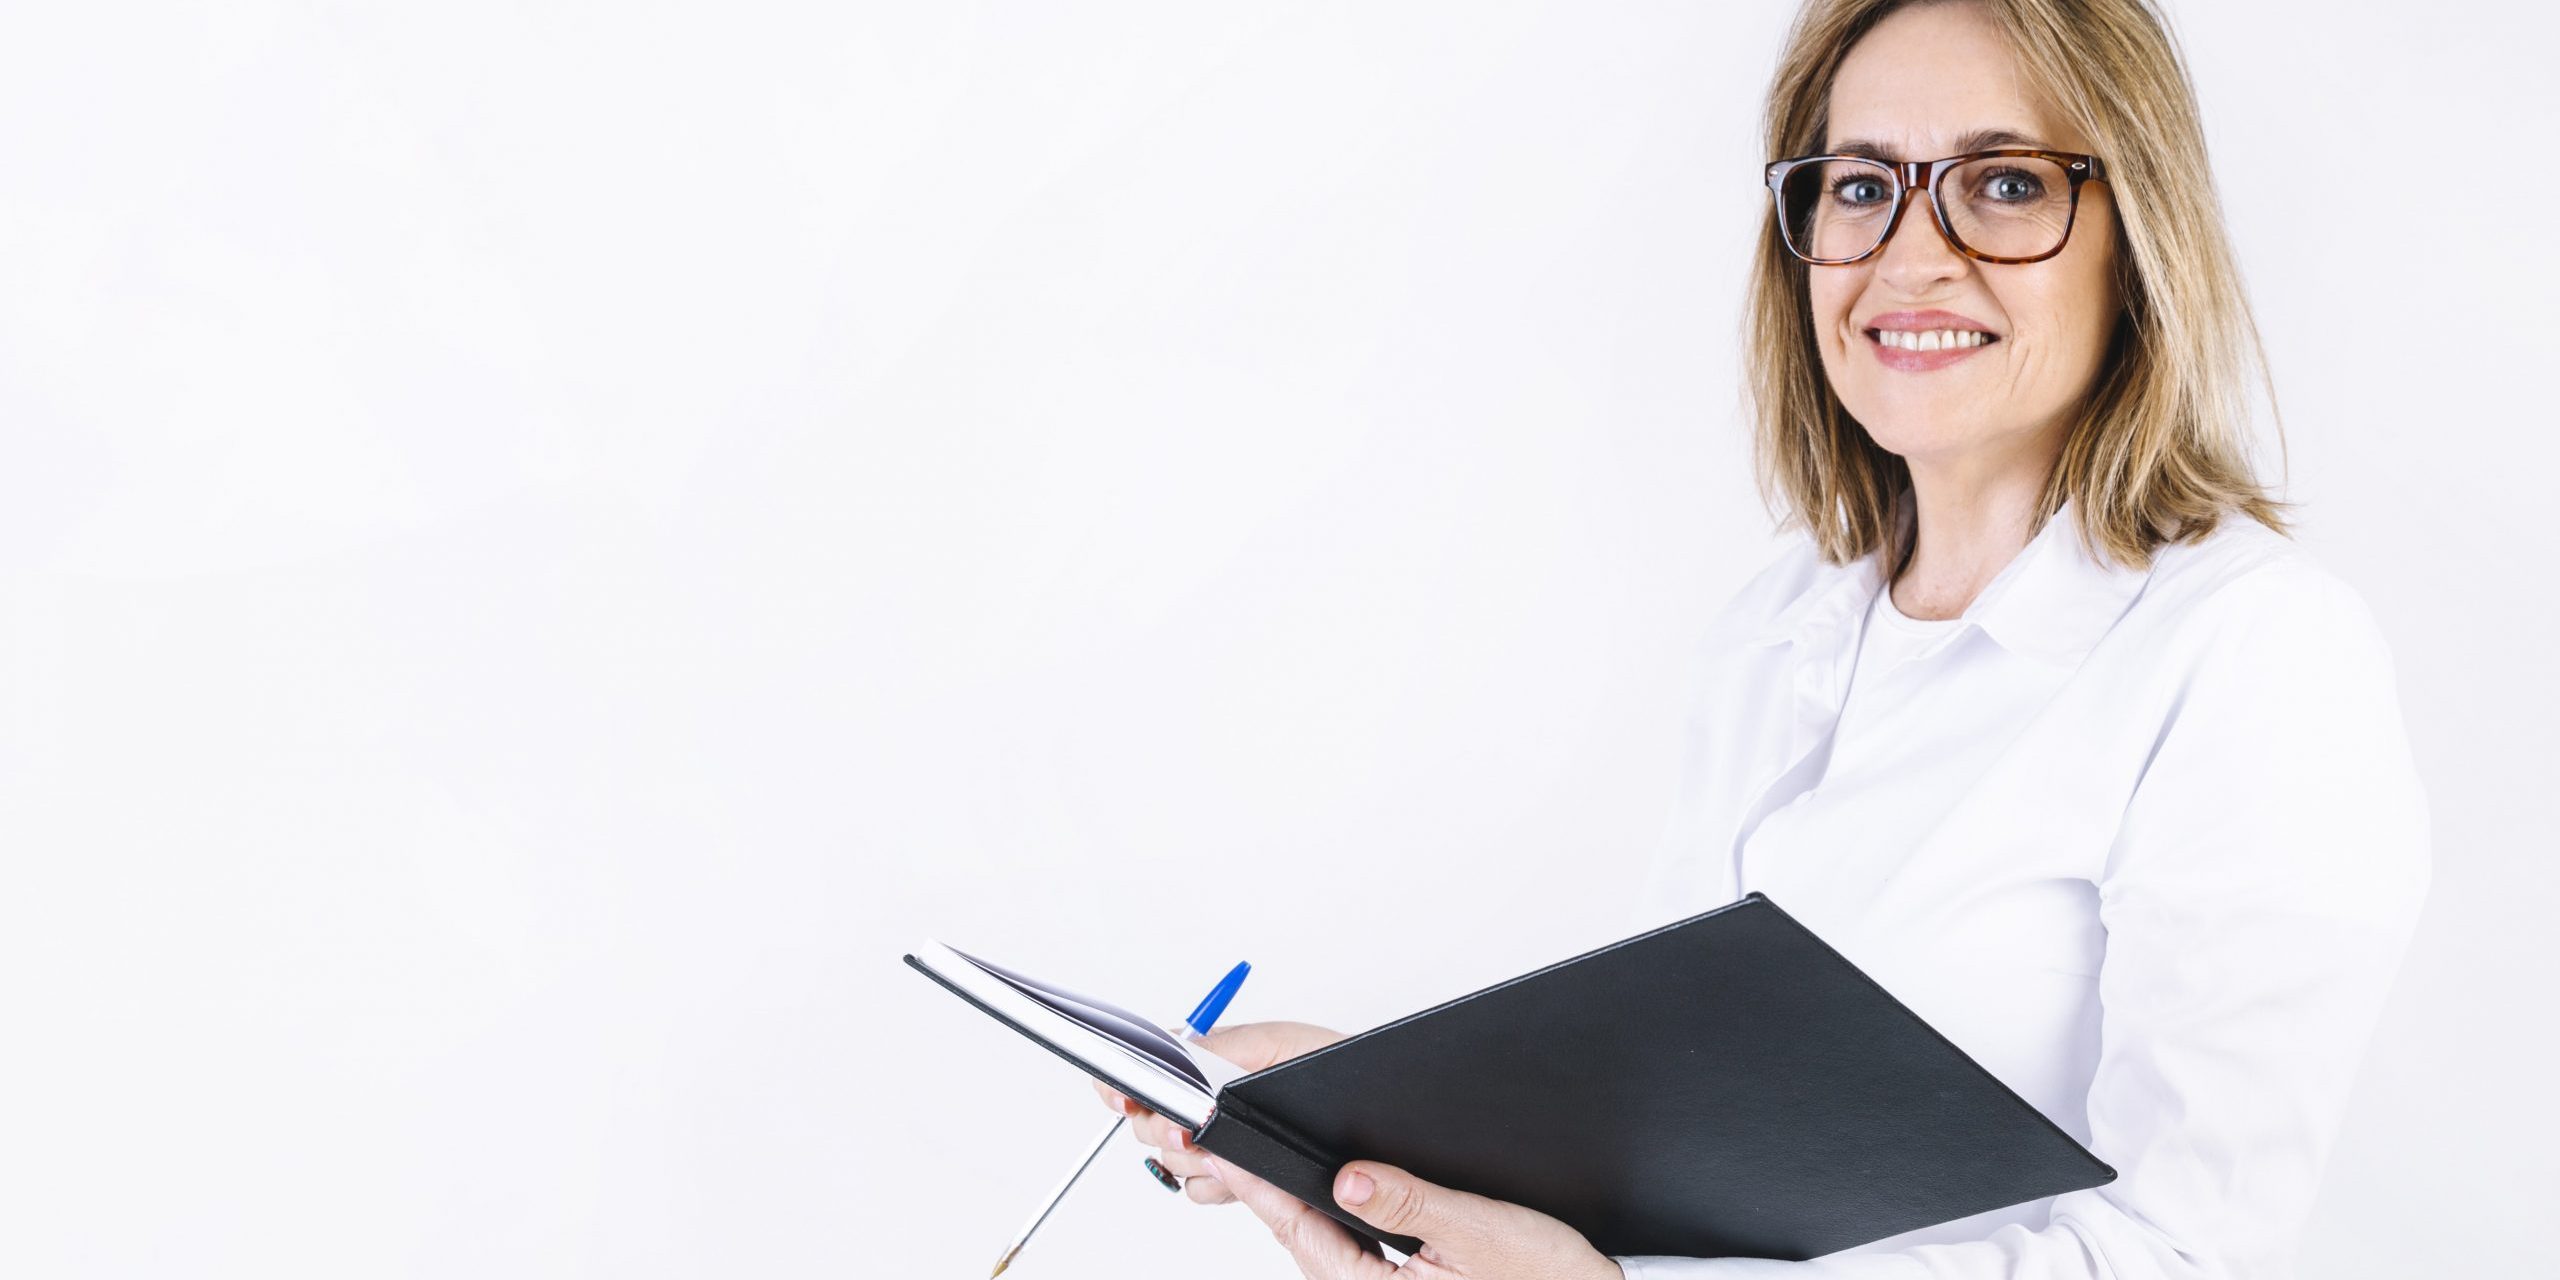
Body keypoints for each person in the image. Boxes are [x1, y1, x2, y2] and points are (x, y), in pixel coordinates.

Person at [1094, 0, 2430, 1275]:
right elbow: (1694, 1166)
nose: (1912, 256)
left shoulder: (2251, 656)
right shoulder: (1781, 630)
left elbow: (2193, 1259)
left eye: (2005, 183)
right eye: (1860, 187)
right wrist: (1348, 1118)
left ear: (2136, 232)